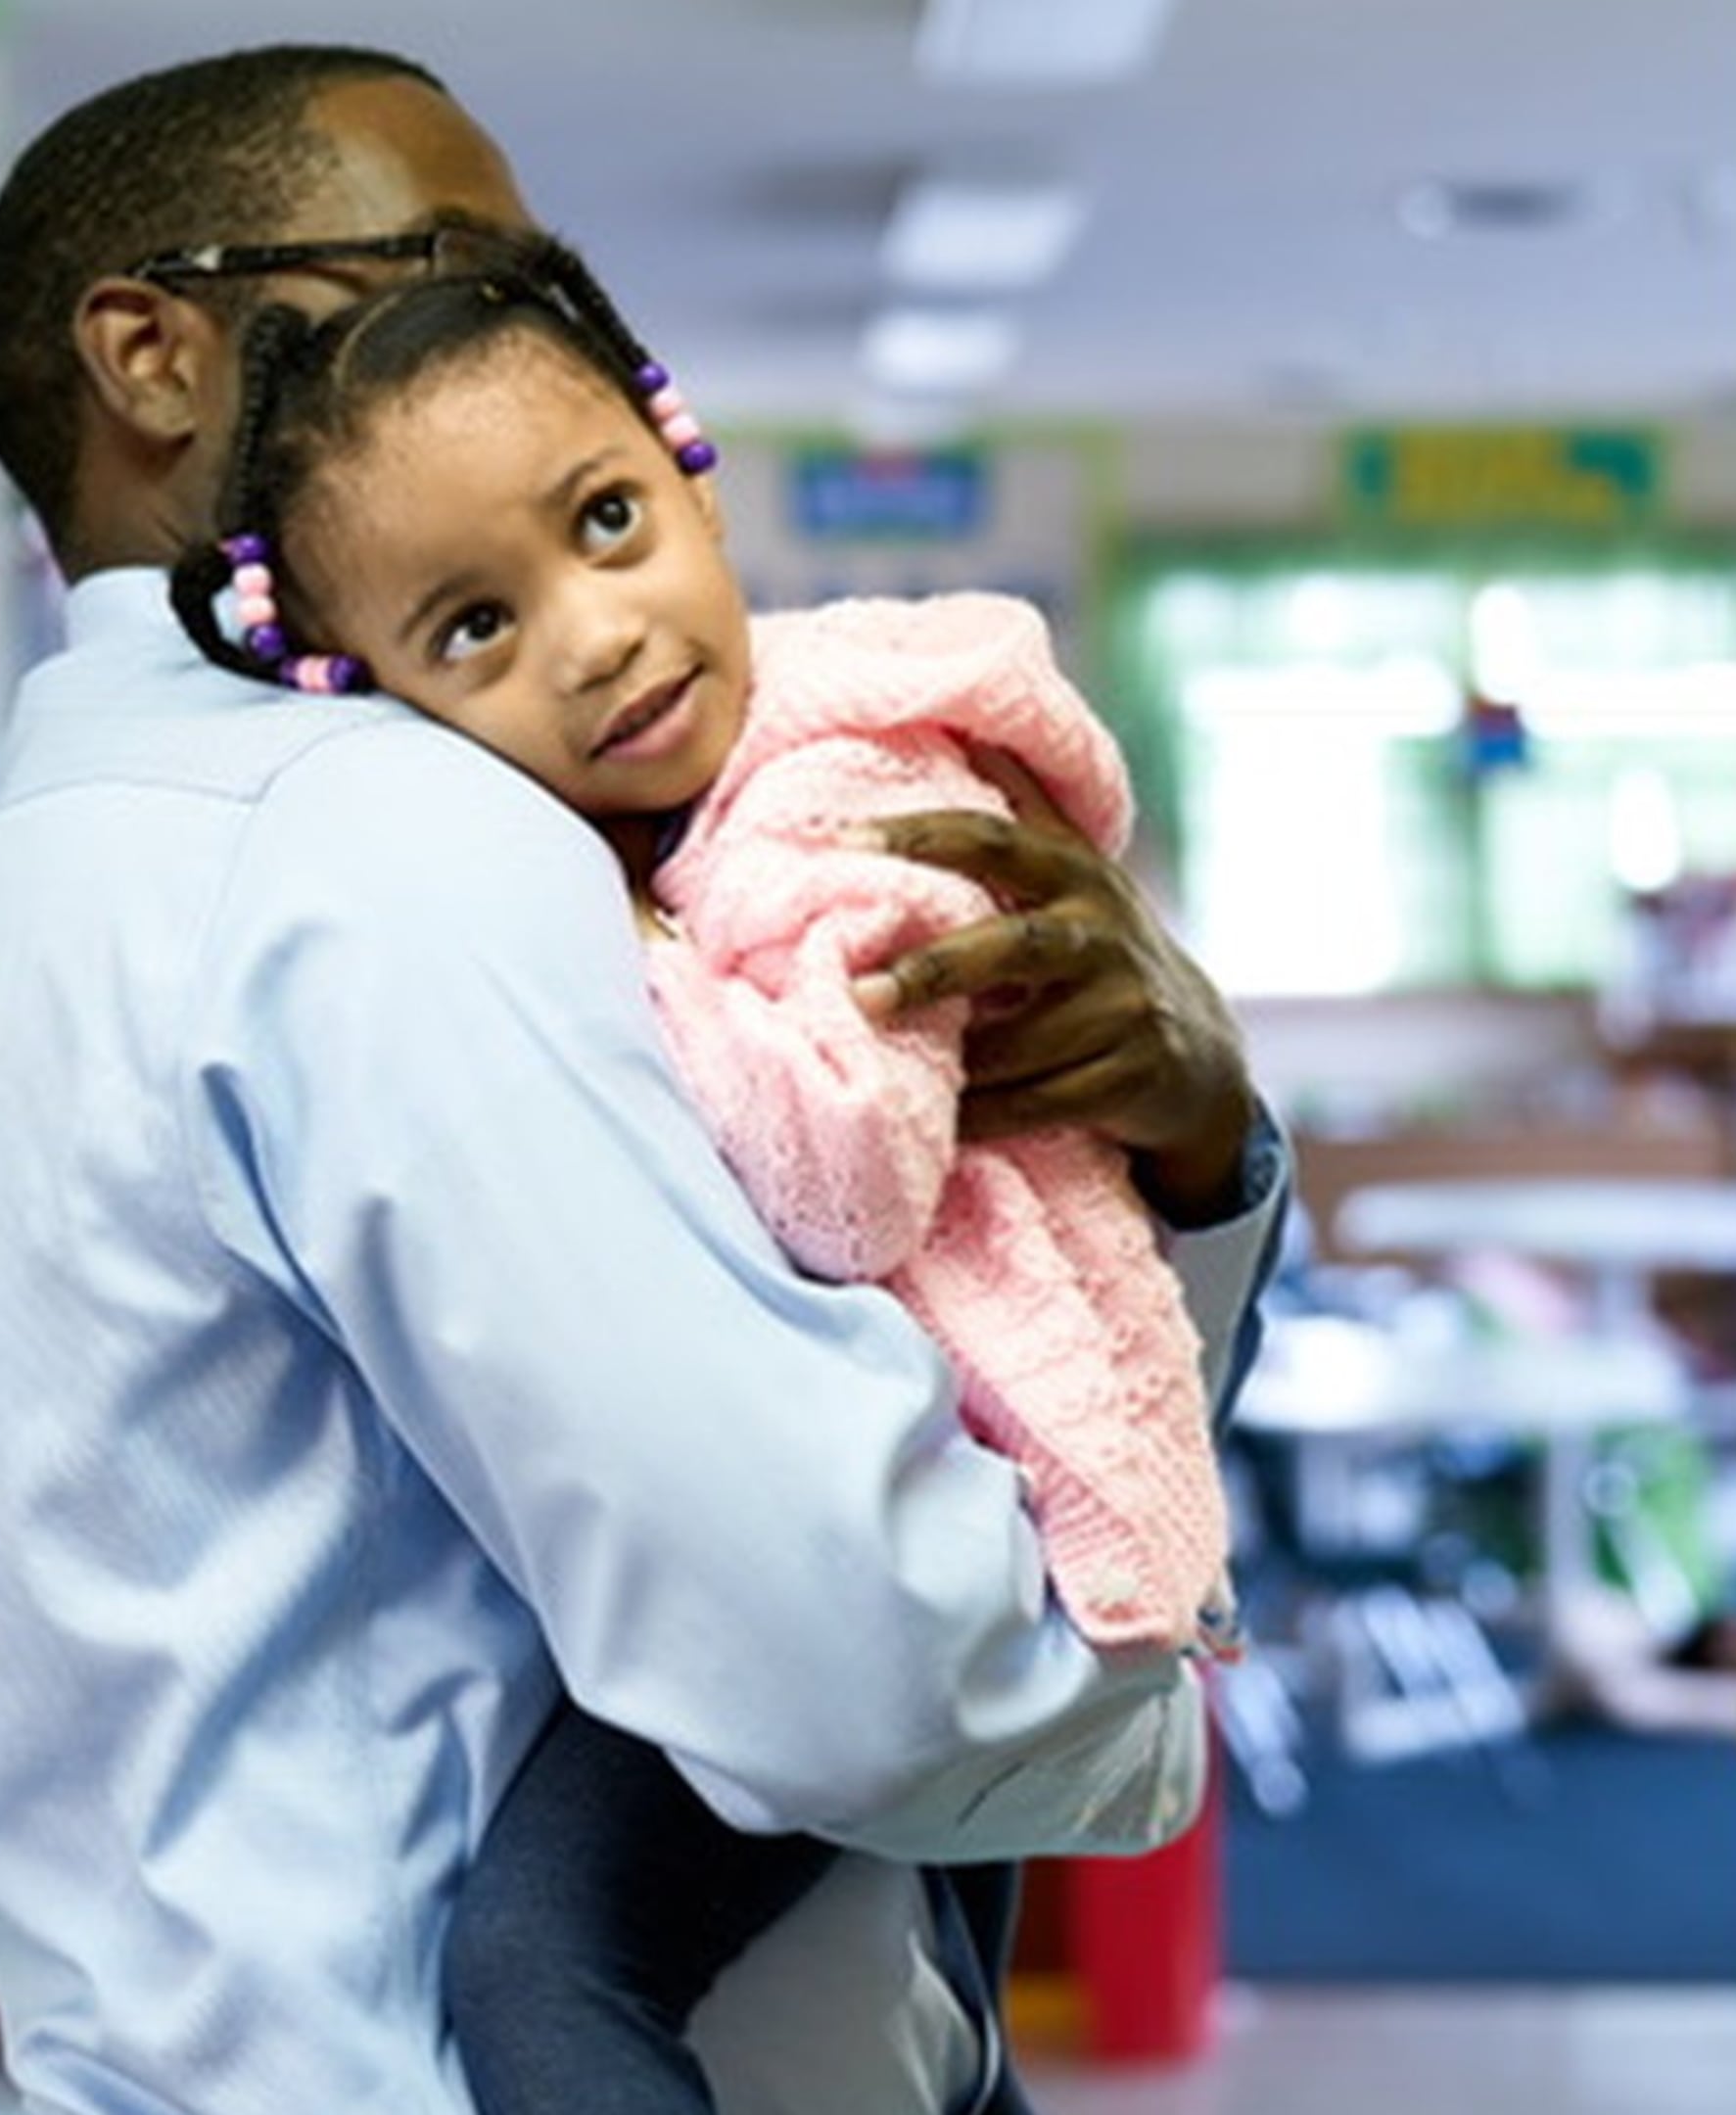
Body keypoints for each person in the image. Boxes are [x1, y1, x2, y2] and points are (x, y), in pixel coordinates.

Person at [0, 44, 1288, 2115]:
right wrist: (1128, 1675)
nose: (503, 328)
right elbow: (865, 1657)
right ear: (153, 356)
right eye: (447, 260)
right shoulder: (382, 839)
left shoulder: (52, 867)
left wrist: (1181, 1148)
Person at [158, 250, 1246, 2115]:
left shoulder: (831, 797)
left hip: (960, 1500)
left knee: (545, 1968)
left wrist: (638, 961)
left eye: (605, 523)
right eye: (475, 628)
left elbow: (849, 1180)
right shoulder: (684, 813)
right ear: (377, 706)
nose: (593, 636)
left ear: (690, 470)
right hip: (952, 1482)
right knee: (926, 1978)